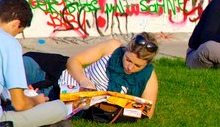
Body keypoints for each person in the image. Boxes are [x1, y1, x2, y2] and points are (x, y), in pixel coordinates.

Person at [23, 33, 160, 118]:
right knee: (18, 67)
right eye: (128, 60)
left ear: (146, 64)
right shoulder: (113, 48)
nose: (130, 67)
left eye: (137, 66)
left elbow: (147, 113)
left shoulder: (148, 77)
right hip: (54, 73)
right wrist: (84, 81)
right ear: (126, 50)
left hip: (64, 101)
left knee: (17, 103)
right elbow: (74, 61)